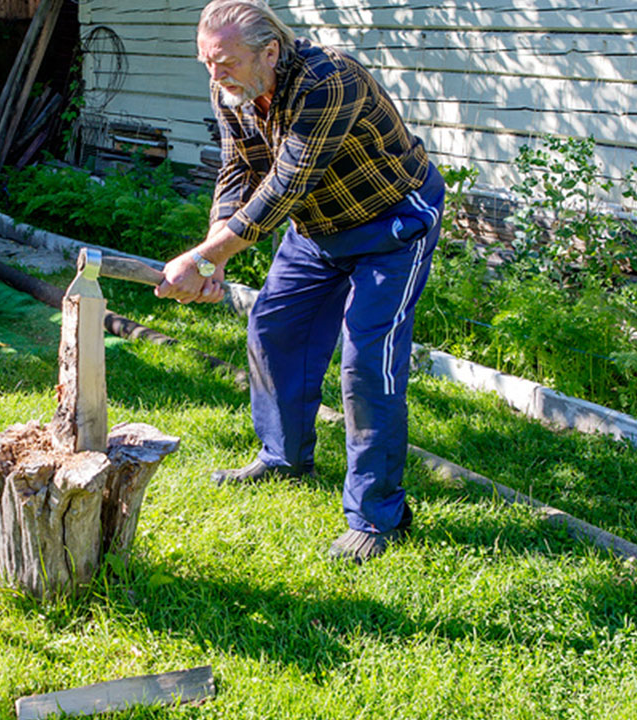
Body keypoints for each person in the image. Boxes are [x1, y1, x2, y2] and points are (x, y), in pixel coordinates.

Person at [155, 0, 445, 563]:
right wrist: (216, 255)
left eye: (226, 63)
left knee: (367, 362)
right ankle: (284, 456)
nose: (215, 76)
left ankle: (377, 517)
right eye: (207, 64)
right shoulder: (232, 89)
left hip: (391, 223)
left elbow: (285, 185)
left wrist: (203, 259)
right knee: (273, 328)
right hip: (318, 228)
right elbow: (239, 168)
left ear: (270, 51)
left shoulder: (328, 81)